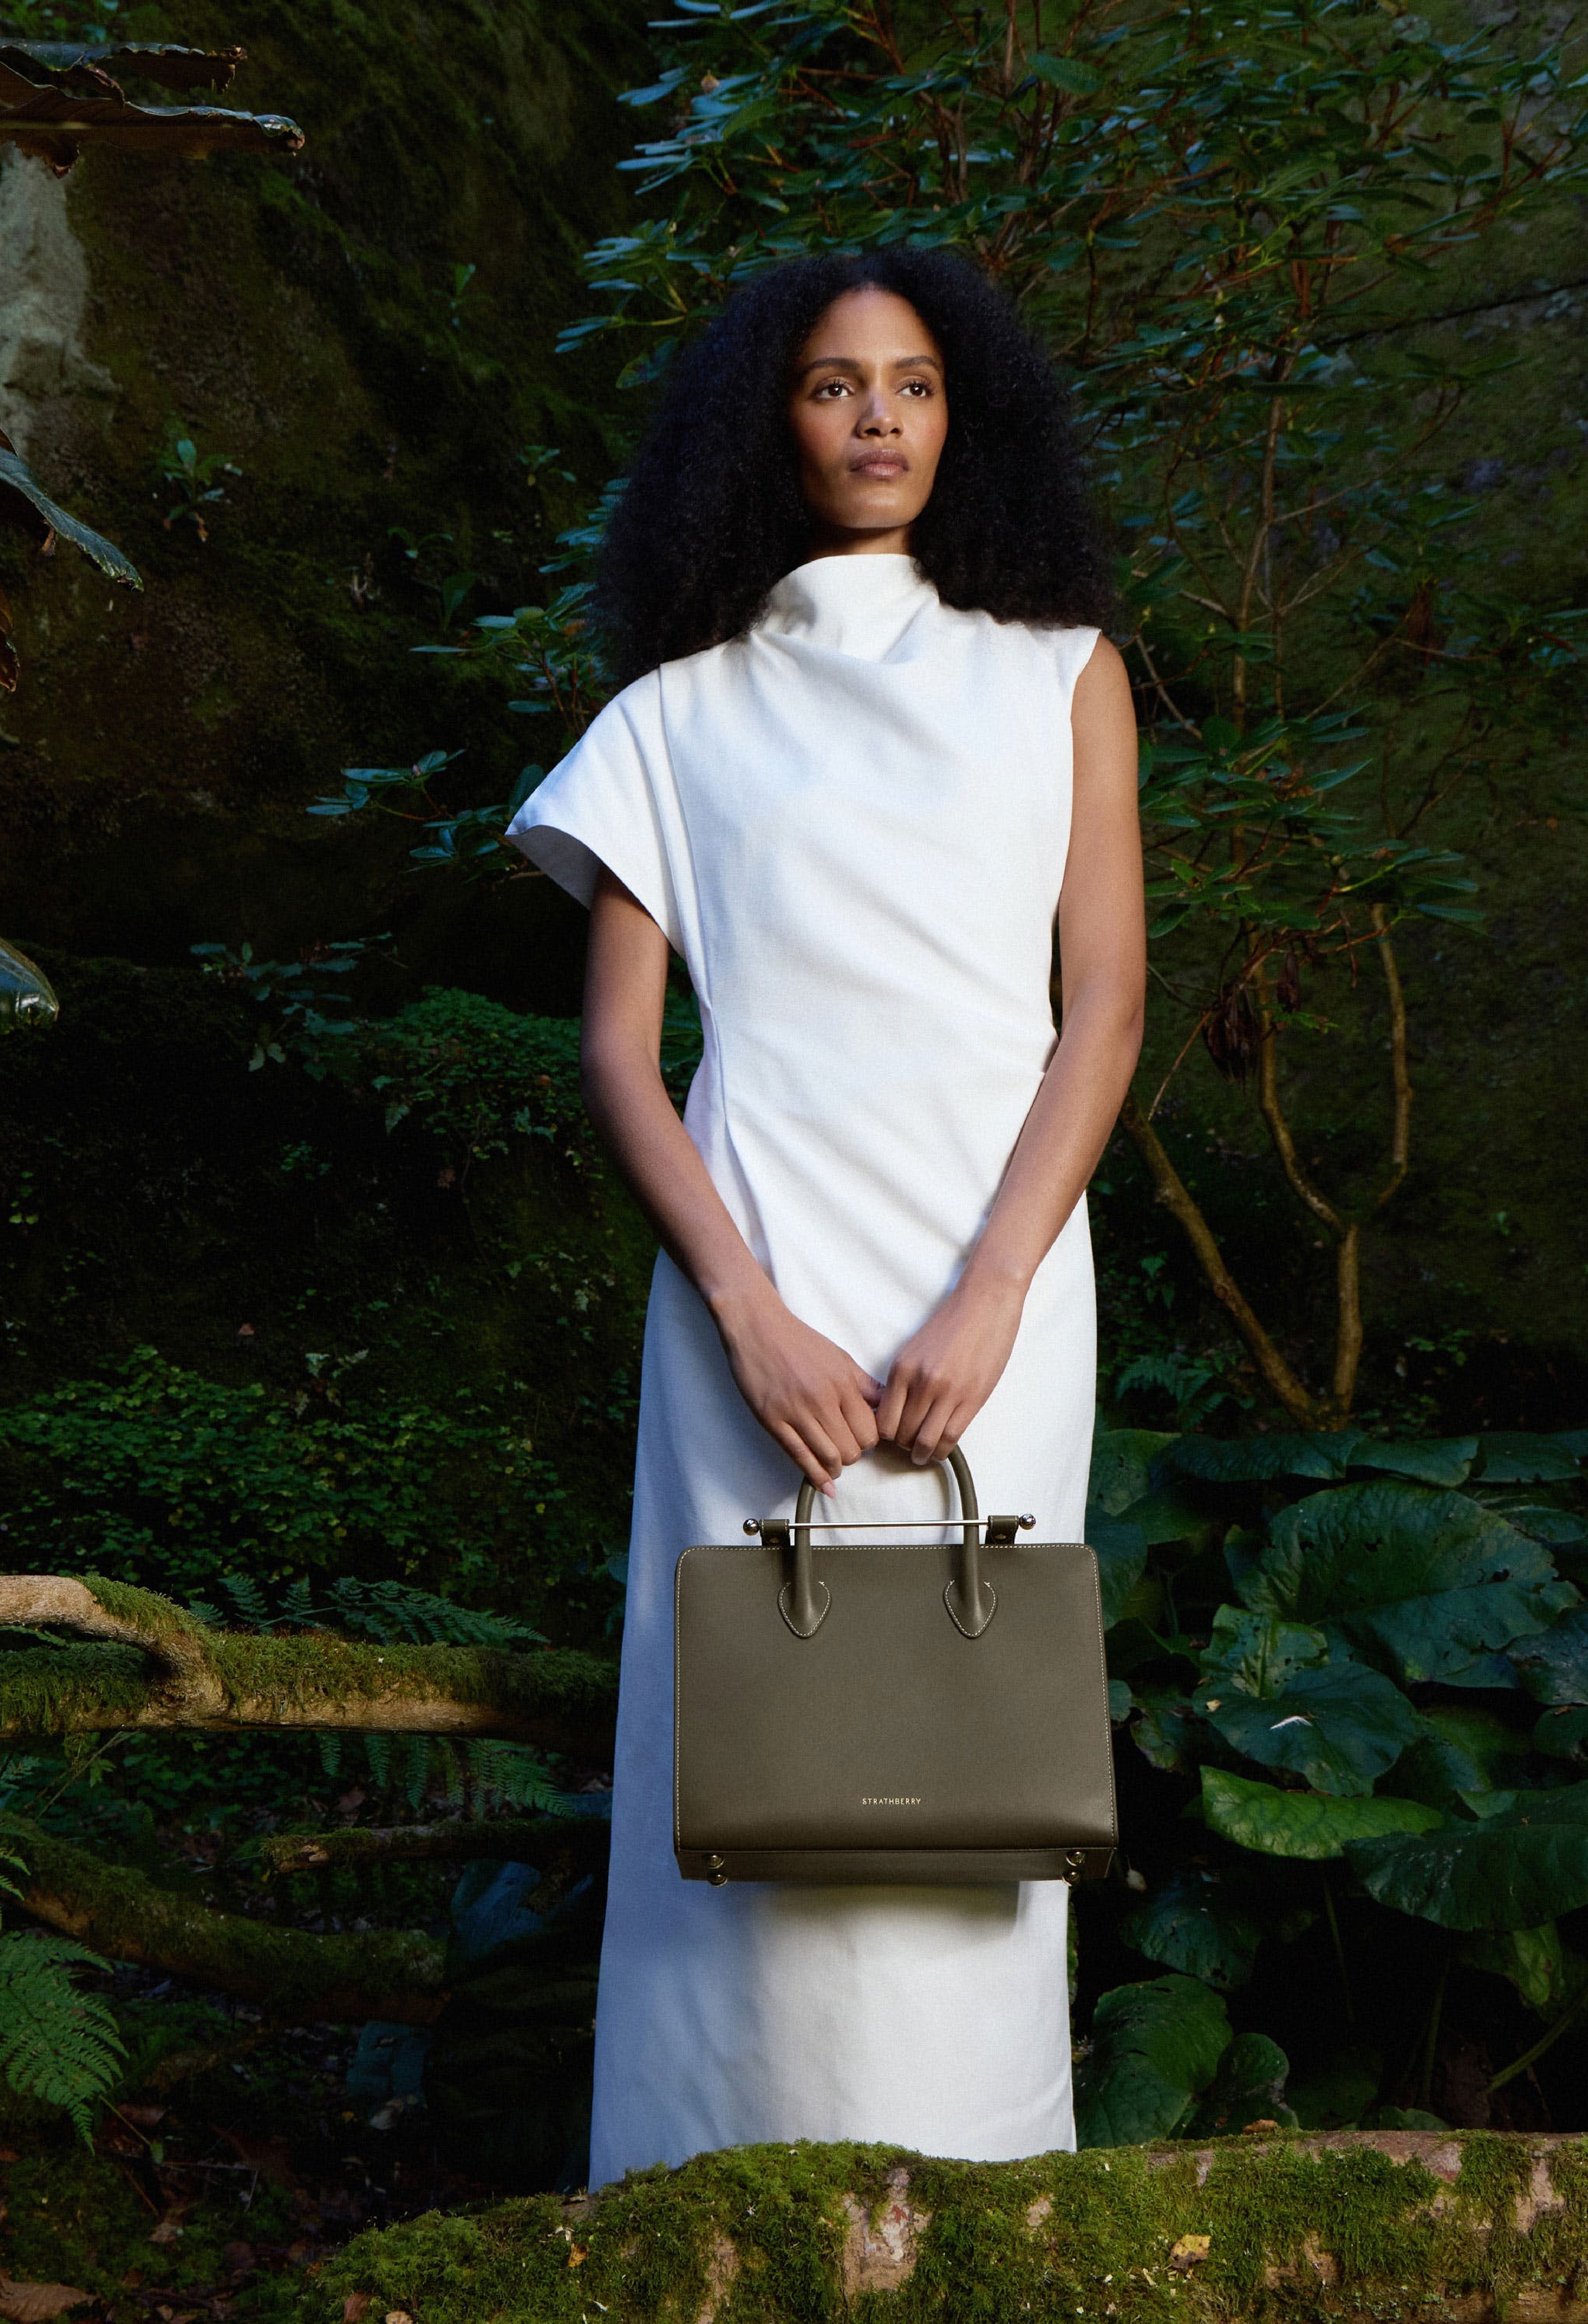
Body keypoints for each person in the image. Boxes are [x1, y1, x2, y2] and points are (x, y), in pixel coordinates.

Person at [506, 249, 1145, 2189]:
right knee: (744, 1760)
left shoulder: (1062, 671)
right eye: (832, 383)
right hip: (753, 1282)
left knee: (970, 1756)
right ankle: (706, 2221)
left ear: (969, 420)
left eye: (917, 383)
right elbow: (625, 1051)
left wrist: (997, 1293)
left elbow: (1102, 1002)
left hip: (998, 1279)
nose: (878, 417)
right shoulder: (675, 716)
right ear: (761, 426)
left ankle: (969, 2221)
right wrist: (744, 1309)